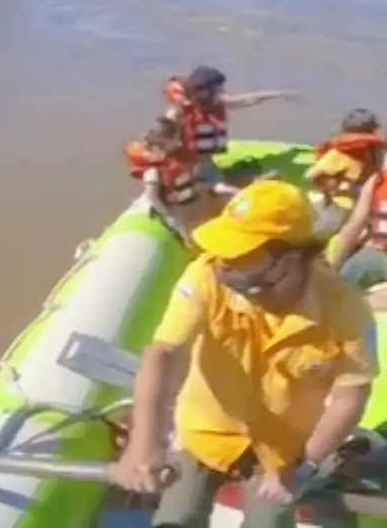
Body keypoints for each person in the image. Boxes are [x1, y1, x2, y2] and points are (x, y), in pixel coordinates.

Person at [109, 180, 377, 527]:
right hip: (206, 432)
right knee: (177, 516)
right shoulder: (206, 275)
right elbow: (164, 352)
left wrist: (305, 465)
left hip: (282, 452)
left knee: (268, 521)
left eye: (242, 259)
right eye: (225, 258)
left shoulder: (346, 309)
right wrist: (145, 442)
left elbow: (350, 394)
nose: (226, 269)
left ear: (292, 259)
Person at [163, 66, 295, 195]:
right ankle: (240, 194)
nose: (222, 91)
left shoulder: (216, 103)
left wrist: (275, 94)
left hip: (207, 163)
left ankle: (242, 183)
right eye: (217, 89)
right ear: (204, 93)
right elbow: (162, 134)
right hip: (192, 166)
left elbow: (247, 100)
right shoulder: (179, 112)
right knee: (218, 185)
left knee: (242, 171)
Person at [124, 117, 200, 242]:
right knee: (184, 230)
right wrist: (170, 219)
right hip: (168, 208)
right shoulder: (152, 172)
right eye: (176, 140)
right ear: (162, 143)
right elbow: (152, 197)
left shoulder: (170, 156)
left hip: (182, 201)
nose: (179, 143)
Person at [331, 150, 387, 290]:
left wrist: (335, 266)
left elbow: (355, 226)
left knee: (340, 285)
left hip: (376, 256)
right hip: (377, 253)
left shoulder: (376, 181)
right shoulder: (376, 181)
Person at [306, 109, 385, 207]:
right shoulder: (378, 150)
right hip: (360, 199)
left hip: (347, 201)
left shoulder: (335, 154)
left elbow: (316, 177)